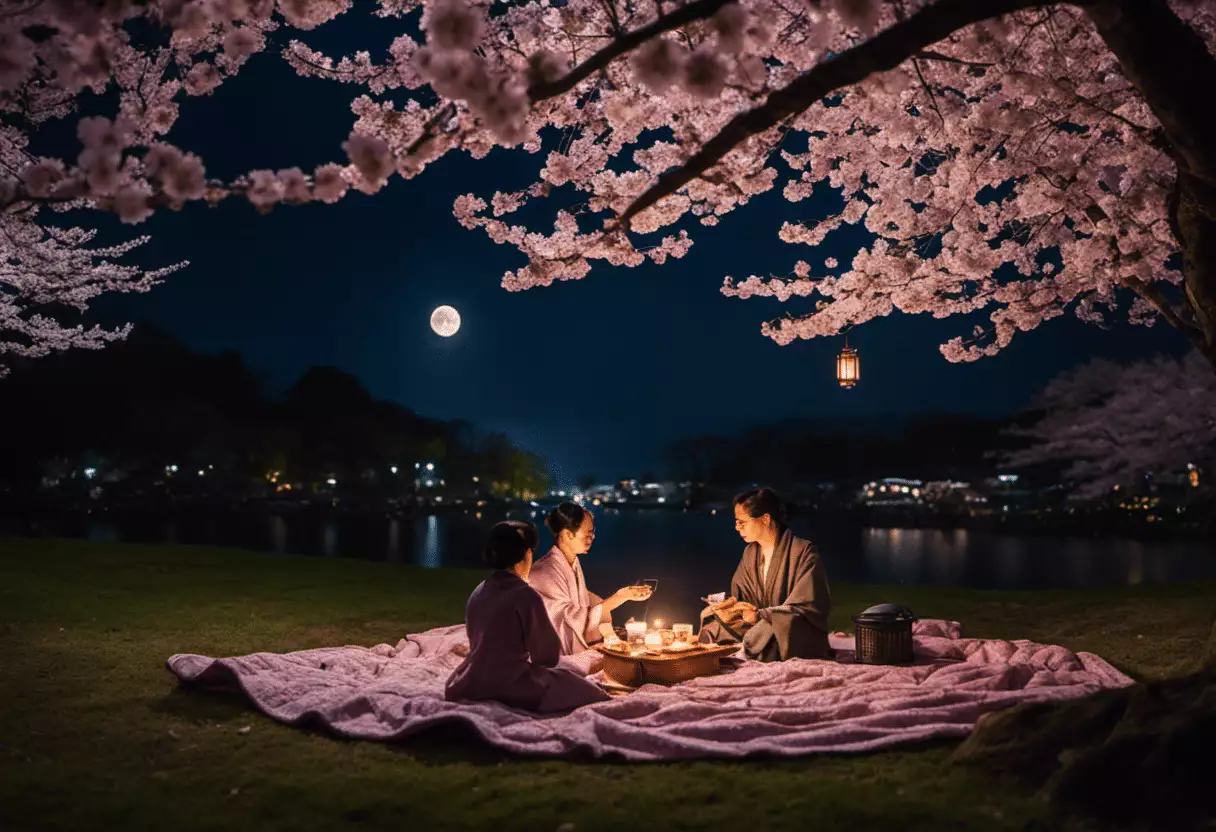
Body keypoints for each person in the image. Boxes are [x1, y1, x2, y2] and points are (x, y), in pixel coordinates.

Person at [445, 520, 610, 712]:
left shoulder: (479, 591)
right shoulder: (525, 595)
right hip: (511, 684)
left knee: (571, 669)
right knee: (589, 692)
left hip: (474, 680)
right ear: (526, 554)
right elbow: (546, 658)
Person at [698, 487, 832, 661]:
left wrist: (762, 615)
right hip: (757, 624)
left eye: (742, 522)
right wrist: (729, 609)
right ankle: (745, 649)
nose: (736, 527)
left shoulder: (803, 552)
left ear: (765, 519)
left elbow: (808, 607)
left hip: (790, 629)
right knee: (712, 622)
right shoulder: (750, 553)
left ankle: (746, 650)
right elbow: (741, 599)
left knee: (763, 632)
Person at [528, 501, 652, 653]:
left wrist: (624, 595)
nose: (592, 537)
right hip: (553, 658)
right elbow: (569, 621)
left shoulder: (571, 562)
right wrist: (620, 597)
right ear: (567, 534)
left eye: (592, 533)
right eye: (587, 533)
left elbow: (583, 599)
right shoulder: (545, 571)